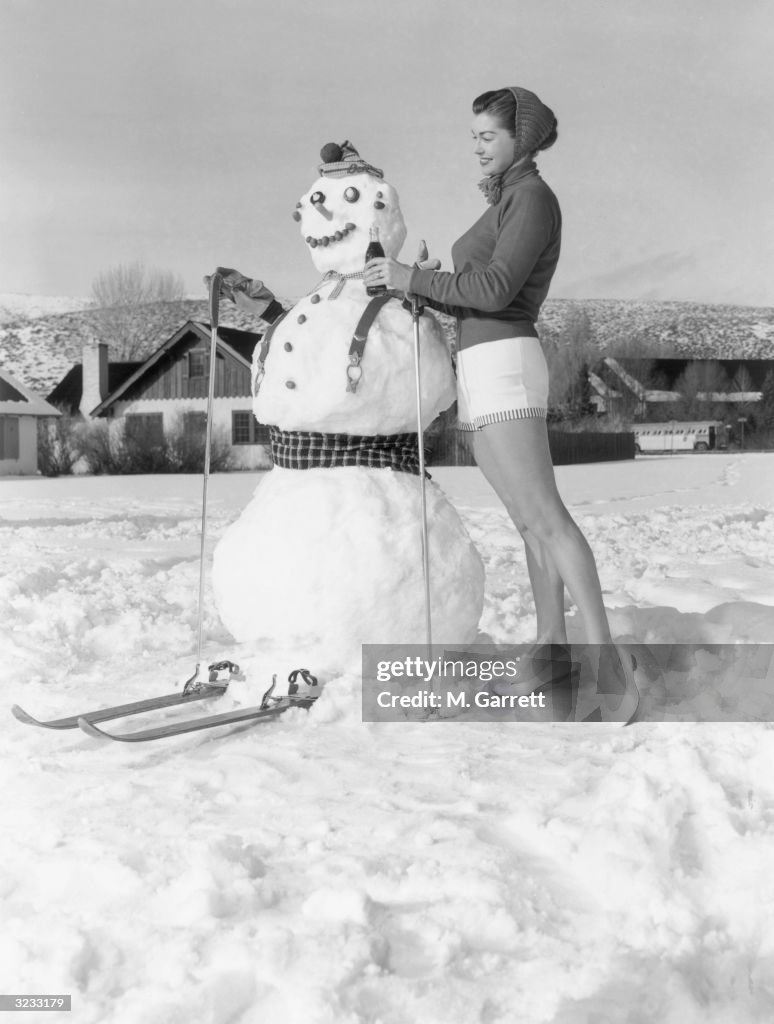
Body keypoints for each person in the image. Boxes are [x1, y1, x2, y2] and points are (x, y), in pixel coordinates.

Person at [363, 86, 638, 720]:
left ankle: (609, 673)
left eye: (488, 135)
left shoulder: (533, 198)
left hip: (508, 365)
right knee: (527, 524)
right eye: (474, 136)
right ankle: (551, 651)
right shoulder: (510, 199)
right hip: (481, 367)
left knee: (549, 519)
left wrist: (413, 278)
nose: (478, 146)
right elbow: (472, 291)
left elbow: (494, 287)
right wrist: (425, 287)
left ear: (522, 137)